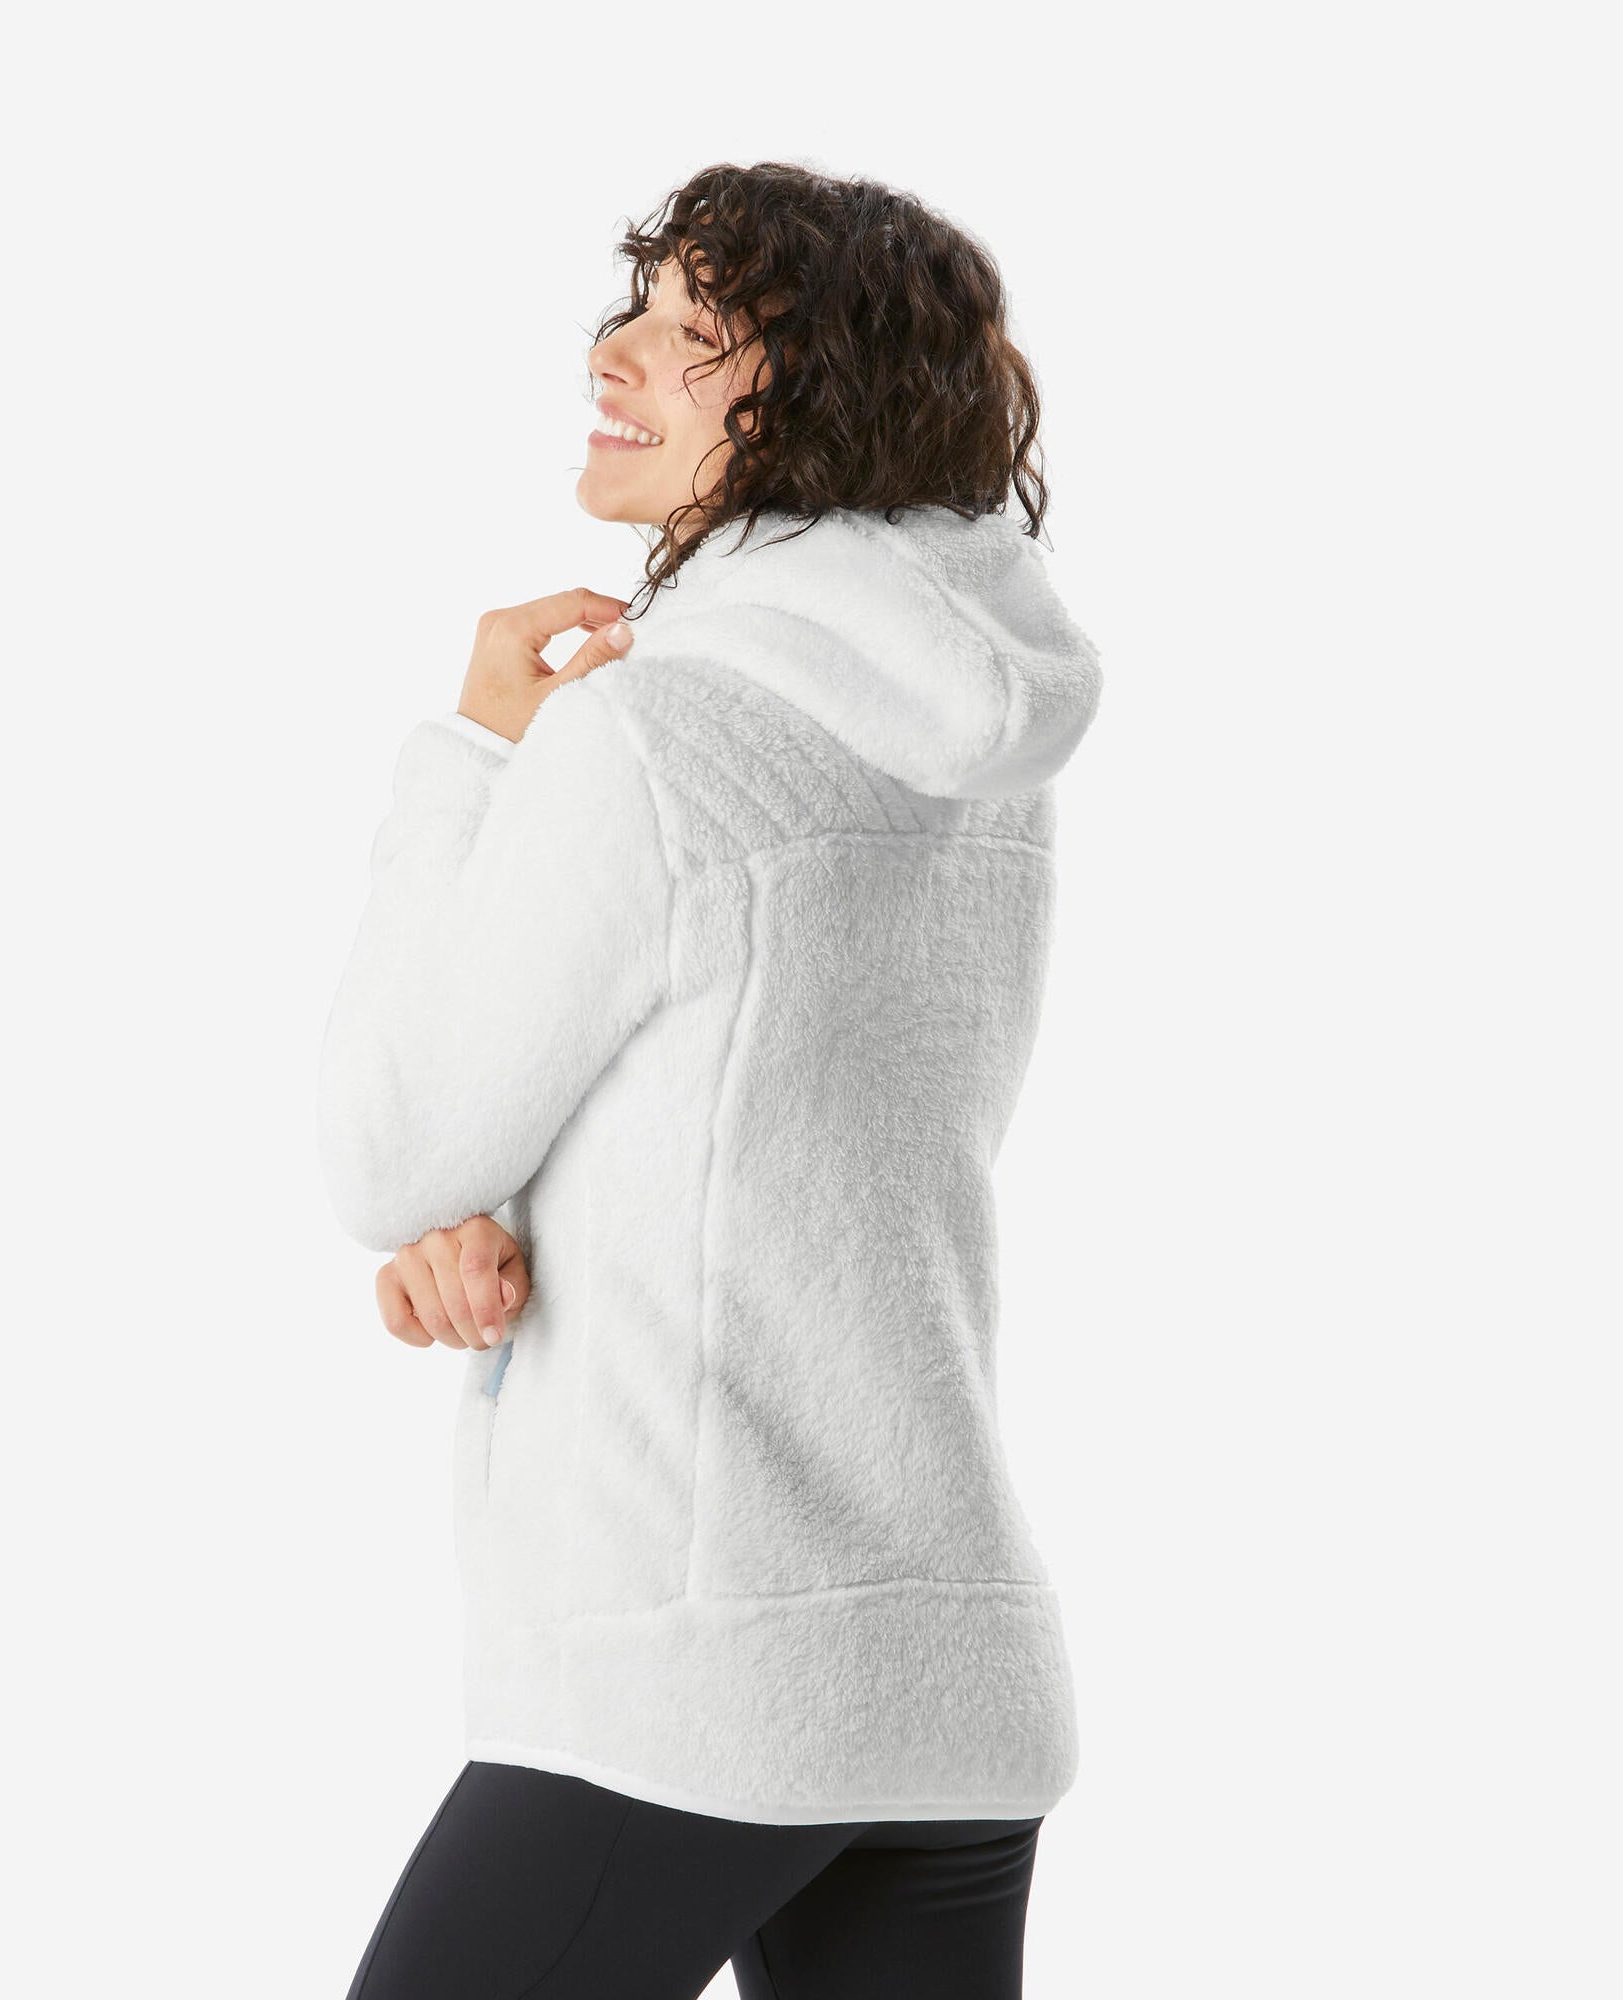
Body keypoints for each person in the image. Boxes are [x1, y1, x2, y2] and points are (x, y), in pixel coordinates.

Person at [317, 160, 1104, 1998]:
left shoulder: (651, 736)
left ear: (817, 399)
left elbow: (382, 1140)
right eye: (635, 307)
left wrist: (473, 753)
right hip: (950, 1683)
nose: (617, 354)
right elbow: (757, 1114)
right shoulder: (972, 760)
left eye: (693, 332)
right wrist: (491, 1202)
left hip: (697, 1677)